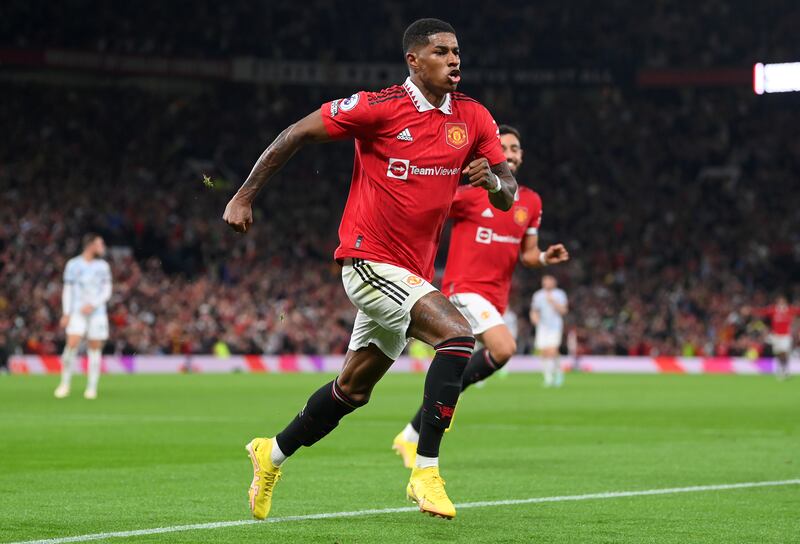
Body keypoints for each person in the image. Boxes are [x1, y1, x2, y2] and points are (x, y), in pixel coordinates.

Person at [222, 18, 518, 520]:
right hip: (368, 261)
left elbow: (507, 194)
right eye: (442, 52)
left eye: (457, 52)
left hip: (413, 276)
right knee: (457, 336)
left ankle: (269, 453)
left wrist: (491, 178)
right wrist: (244, 195)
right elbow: (296, 133)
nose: (454, 60)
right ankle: (425, 471)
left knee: (353, 390)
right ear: (414, 61)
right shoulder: (377, 108)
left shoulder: (474, 117)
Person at [392, 125, 568, 468]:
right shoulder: (470, 193)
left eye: (515, 148)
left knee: (460, 370)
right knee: (504, 348)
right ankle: (433, 419)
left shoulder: (530, 201)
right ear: (491, 154)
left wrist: (546, 258)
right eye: (503, 147)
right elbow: (429, 208)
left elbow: (528, 255)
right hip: (464, 289)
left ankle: (412, 433)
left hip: (494, 296)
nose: (511, 153)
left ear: (521, 156)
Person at [54, 233, 112, 400]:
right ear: (91, 245)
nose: (102, 247)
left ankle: (92, 387)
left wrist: (93, 304)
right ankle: (64, 384)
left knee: (94, 348)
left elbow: (107, 291)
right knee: (71, 344)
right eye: (100, 244)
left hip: (97, 313)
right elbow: (68, 290)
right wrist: (66, 313)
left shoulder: (103, 266)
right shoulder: (73, 264)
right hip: (77, 312)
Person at [530, 275, 568, 387]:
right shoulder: (538, 295)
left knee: (552, 351)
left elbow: (564, 310)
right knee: (543, 352)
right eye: (544, 281)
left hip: (555, 326)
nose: (546, 283)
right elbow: (534, 310)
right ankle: (548, 378)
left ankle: (558, 373)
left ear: (554, 282)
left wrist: (554, 302)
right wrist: (534, 318)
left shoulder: (559, 294)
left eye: (549, 281)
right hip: (542, 326)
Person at [749, 296, 799, 380]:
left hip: (786, 335)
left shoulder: (790, 310)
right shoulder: (773, 310)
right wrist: (751, 310)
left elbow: (798, 311)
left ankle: (785, 369)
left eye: (782, 301)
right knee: (779, 353)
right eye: (779, 301)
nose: (781, 303)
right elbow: (763, 312)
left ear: (785, 302)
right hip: (776, 335)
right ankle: (781, 369)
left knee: (784, 352)